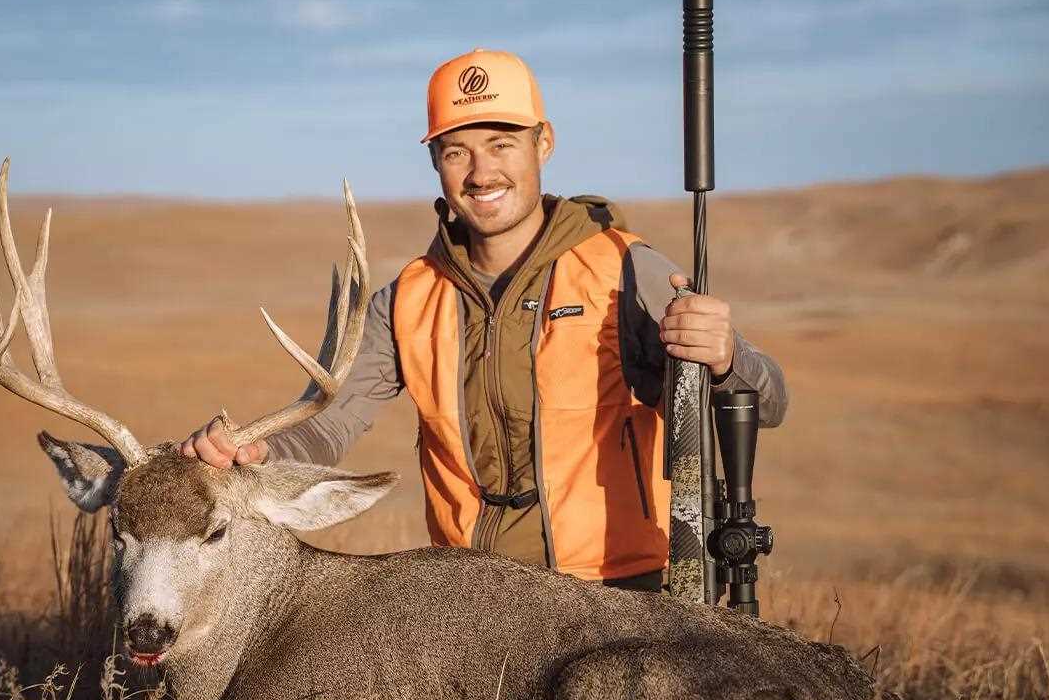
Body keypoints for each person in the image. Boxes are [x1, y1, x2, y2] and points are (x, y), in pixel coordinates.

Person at [179, 48, 787, 592]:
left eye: (502, 144)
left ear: (542, 143)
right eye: (456, 151)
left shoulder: (626, 269)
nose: (481, 172)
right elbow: (328, 427)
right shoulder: (407, 299)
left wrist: (727, 357)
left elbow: (770, 400)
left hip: (619, 592)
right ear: (436, 164)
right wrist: (258, 451)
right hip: (476, 607)